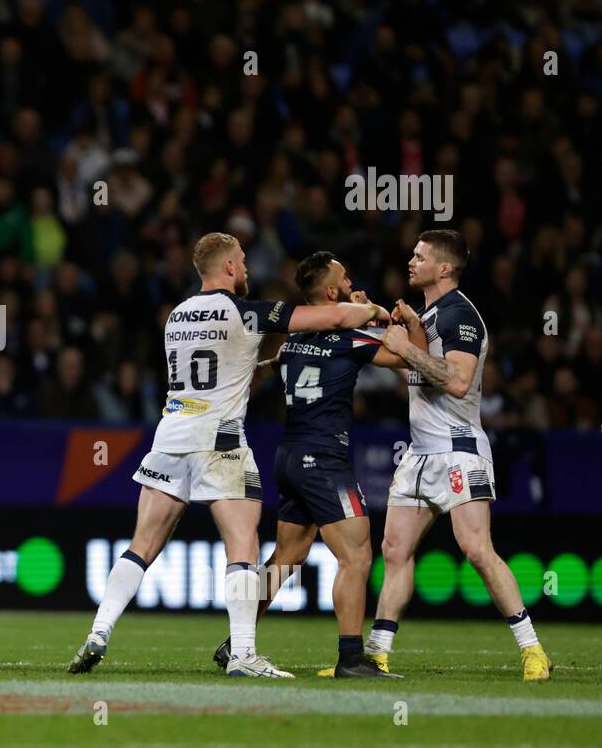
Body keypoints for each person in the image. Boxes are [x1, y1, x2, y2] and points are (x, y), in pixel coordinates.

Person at [67, 232, 390, 678]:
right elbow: (334, 315)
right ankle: (242, 654)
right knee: (243, 548)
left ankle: (98, 632)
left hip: (169, 434)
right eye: (242, 261)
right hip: (220, 439)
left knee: (141, 545)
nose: (248, 269)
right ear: (230, 268)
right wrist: (373, 310)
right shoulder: (247, 312)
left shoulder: (176, 315)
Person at [209, 251, 424, 678]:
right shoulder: (351, 339)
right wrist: (403, 323)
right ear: (332, 292)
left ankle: (238, 640)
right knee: (357, 554)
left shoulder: (291, 341)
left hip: (289, 455)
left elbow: (276, 367)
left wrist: (361, 316)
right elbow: (410, 360)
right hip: (323, 456)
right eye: (344, 279)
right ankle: (350, 659)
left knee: (287, 556)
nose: (350, 282)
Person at [369, 230, 552, 681]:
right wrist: (355, 323)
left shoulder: (458, 314)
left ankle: (533, 651)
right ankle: (375, 653)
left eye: (420, 256)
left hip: (458, 450)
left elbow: (457, 381)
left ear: (444, 268)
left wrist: (406, 346)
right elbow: (387, 357)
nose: (410, 262)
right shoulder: (428, 315)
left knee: (476, 550)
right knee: (394, 550)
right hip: (419, 454)